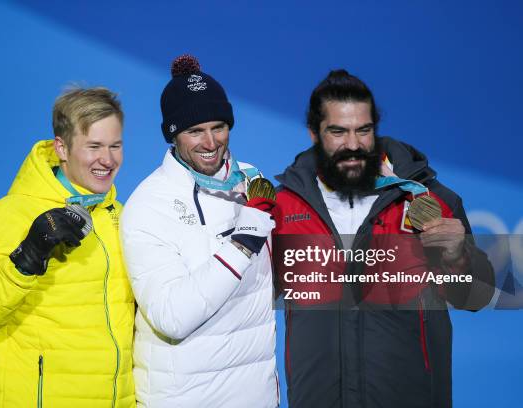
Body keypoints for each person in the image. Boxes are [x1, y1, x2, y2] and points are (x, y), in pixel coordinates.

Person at [273, 70, 494, 408]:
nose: (353, 145)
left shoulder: (430, 200)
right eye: (338, 132)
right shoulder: (282, 207)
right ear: (314, 135)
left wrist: (457, 257)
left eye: (364, 130)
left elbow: (474, 296)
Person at [0, 87, 135, 407]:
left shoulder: (120, 216)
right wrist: (28, 256)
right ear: (61, 148)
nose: (107, 159)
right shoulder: (10, 214)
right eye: (94, 146)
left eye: (115, 146)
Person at [120, 55, 278, 407]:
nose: (210, 143)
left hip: (256, 393)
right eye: (195, 131)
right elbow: (171, 317)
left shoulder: (252, 179)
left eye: (218, 127)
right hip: (186, 398)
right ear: (173, 135)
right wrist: (244, 241)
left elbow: (276, 281)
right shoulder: (149, 203)